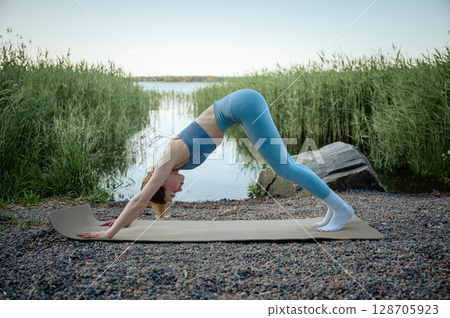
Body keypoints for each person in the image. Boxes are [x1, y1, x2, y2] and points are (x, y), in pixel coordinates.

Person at [77, 89, 354, 239]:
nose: (179, 192)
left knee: (284, 167)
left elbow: (140, 198)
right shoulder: (173, 162)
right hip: (241, 107)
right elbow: (142, 200)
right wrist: (125, 222)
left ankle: (341, 209)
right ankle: (333, 209)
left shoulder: (167, 160)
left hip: (243, 106)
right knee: (287, 165)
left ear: (162, 182)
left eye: (172, 193)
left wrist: (110, 233)